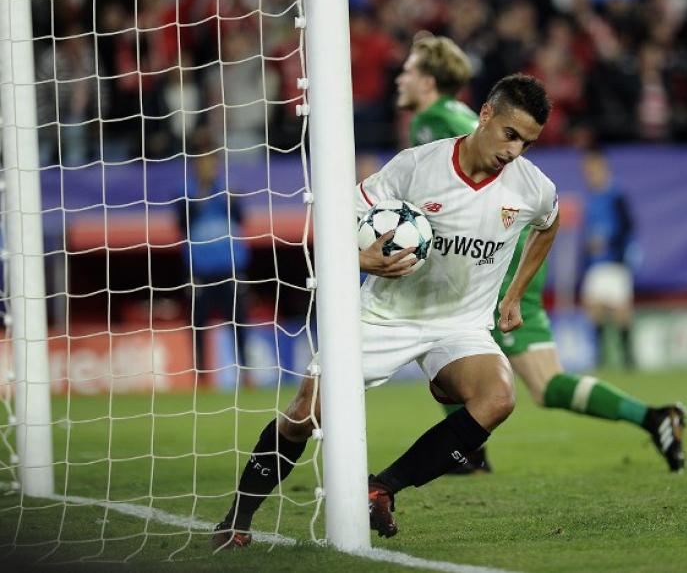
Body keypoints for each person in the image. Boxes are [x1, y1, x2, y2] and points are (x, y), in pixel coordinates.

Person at [212, 74, 559, 548]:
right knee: (304, 414)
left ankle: (381, 488)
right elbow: (340, 218)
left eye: (527, 143)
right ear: (485, 115)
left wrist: (514, 294)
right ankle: (237, 519)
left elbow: (549, 222)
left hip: (460, 325)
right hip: (384, 316)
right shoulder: (417, 167)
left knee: (498, 397)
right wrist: (360, 259)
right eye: (510, 134)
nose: (514, 151)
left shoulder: (531, 187)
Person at [395, 36, 687, 477]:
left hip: (491, 269)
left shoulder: (432, 121)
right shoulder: (467, 118)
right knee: (547, 384)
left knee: (442, 336)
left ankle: (466, 455)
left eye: (409, 70)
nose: (400, 78)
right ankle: (654, 418)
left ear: (428, 81)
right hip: (515, 261)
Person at [176, 136, 250, 382]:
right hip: (200, 272)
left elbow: (241, 218)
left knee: (239, 323)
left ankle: (246, 373)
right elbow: (182, 223)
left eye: (210, 161)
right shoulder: (186, 192)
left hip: (230, 270)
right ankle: (201, 376)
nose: (207, 166)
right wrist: (203, 193)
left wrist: (228, 197)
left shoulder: (228, 189)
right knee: (198, 325)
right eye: (202, 161)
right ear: (195, 165)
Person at [580, 148, 636, 368]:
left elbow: (628, 225)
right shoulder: (591, 198)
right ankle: (600, 358)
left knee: (621, 309)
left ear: (604, 168)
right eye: (587, 171)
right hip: (595, 264)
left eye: (593, 170)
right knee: (594, 308)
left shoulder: (616, 195)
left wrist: (610, 243)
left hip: (615, 262)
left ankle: (628, 359)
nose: (590, 175)